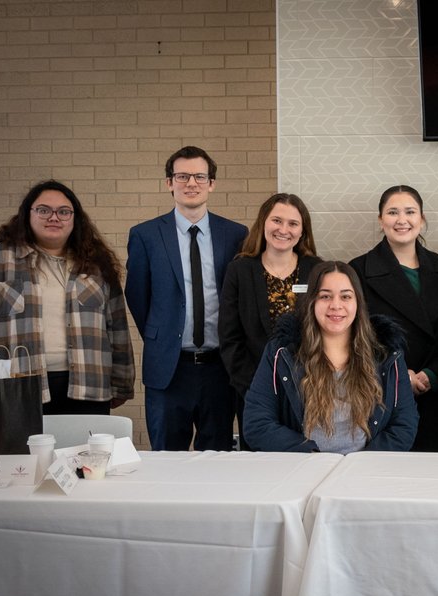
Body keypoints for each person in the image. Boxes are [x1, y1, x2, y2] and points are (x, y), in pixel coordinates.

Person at [0, 180, 134, 413]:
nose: (54, 217)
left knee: (83, 451)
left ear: (75, 218)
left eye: (63, 211)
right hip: (19, 388)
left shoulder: (96, 265)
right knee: (25, 451)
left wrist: (121, 384)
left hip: (88, 387)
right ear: (27, 215)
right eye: (43, 210)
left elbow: (118, 330)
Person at [126, 146, 248, 451]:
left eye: (199, 176)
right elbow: (138, 296)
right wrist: (162, 334)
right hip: (170, 368)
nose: (190, 183)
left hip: (219, 367)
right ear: (169, 183)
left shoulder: (235, 234)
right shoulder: (146, 235)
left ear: (211, 183)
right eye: (182, 176)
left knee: (218, 458)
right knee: (166, 458)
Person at [243, 261, 417, 453]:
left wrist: (365, 463)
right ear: (311, 302)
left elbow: (404, 423)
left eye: (345, 296)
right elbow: (256, 423)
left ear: (358, 302)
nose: (336, 305)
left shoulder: (387, 353)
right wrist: (311, 456)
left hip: (366, 472)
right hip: (302, 468)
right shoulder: (281, 353)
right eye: (325, 296)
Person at [349, 185, 438, 451]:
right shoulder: (356, 272)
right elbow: (352, 337)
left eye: (410, 212)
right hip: (380, 398)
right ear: (381, 221)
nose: (401, 220)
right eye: (392, 212)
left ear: (422, 220)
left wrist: (431, 376)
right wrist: (399, 375)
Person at [219, 193, 322, 450]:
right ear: (263, 222)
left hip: (311, 392)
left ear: (302, 231)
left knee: (308, 458)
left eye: (293, 223)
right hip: (255, 391)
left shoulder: (317, 269)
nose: (283, 229)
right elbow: (230, 337)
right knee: (260, 469)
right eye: (277, 220)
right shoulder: (240, 270)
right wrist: (254, 390)